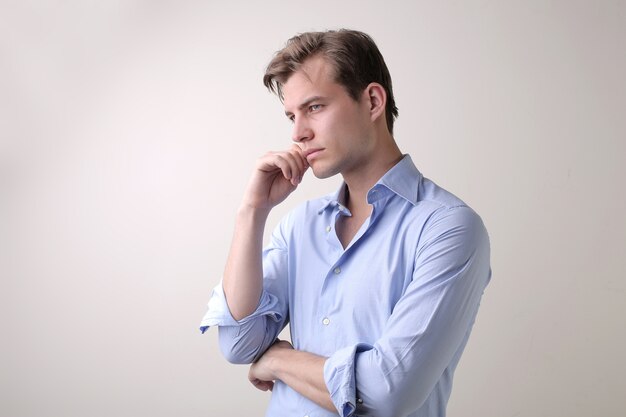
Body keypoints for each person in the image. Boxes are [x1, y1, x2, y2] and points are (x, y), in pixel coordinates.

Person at [199, 29, 491, 417]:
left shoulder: (448, 229)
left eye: (315, 107)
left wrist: (278, 361)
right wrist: (252, 212)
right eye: (292, 115)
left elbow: (386, 392)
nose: (297, 133)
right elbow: (238, 343)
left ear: (372, 101)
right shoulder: (298, 226)